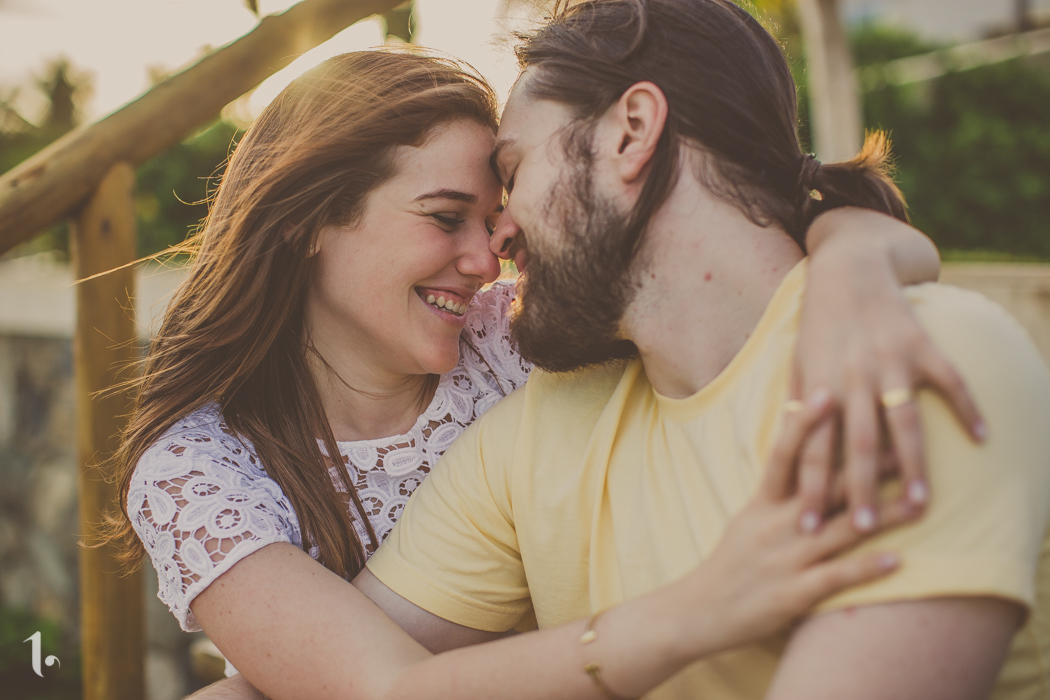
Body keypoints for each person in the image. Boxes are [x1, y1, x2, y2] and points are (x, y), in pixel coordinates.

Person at [115, 47, 974, 700]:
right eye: (446, 218)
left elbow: (705, 258)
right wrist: (704, 608)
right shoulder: (199, 472)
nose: (486, 258)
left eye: (494, 221)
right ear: (308, 222)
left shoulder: (511, 338)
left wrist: (855, 255)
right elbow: (380, 688)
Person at [345, 2, 1050, 699]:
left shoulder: (906, 366)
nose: (496, 239)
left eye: (515, 170)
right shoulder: (534, 435)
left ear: (632, 130)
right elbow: (346, 677)